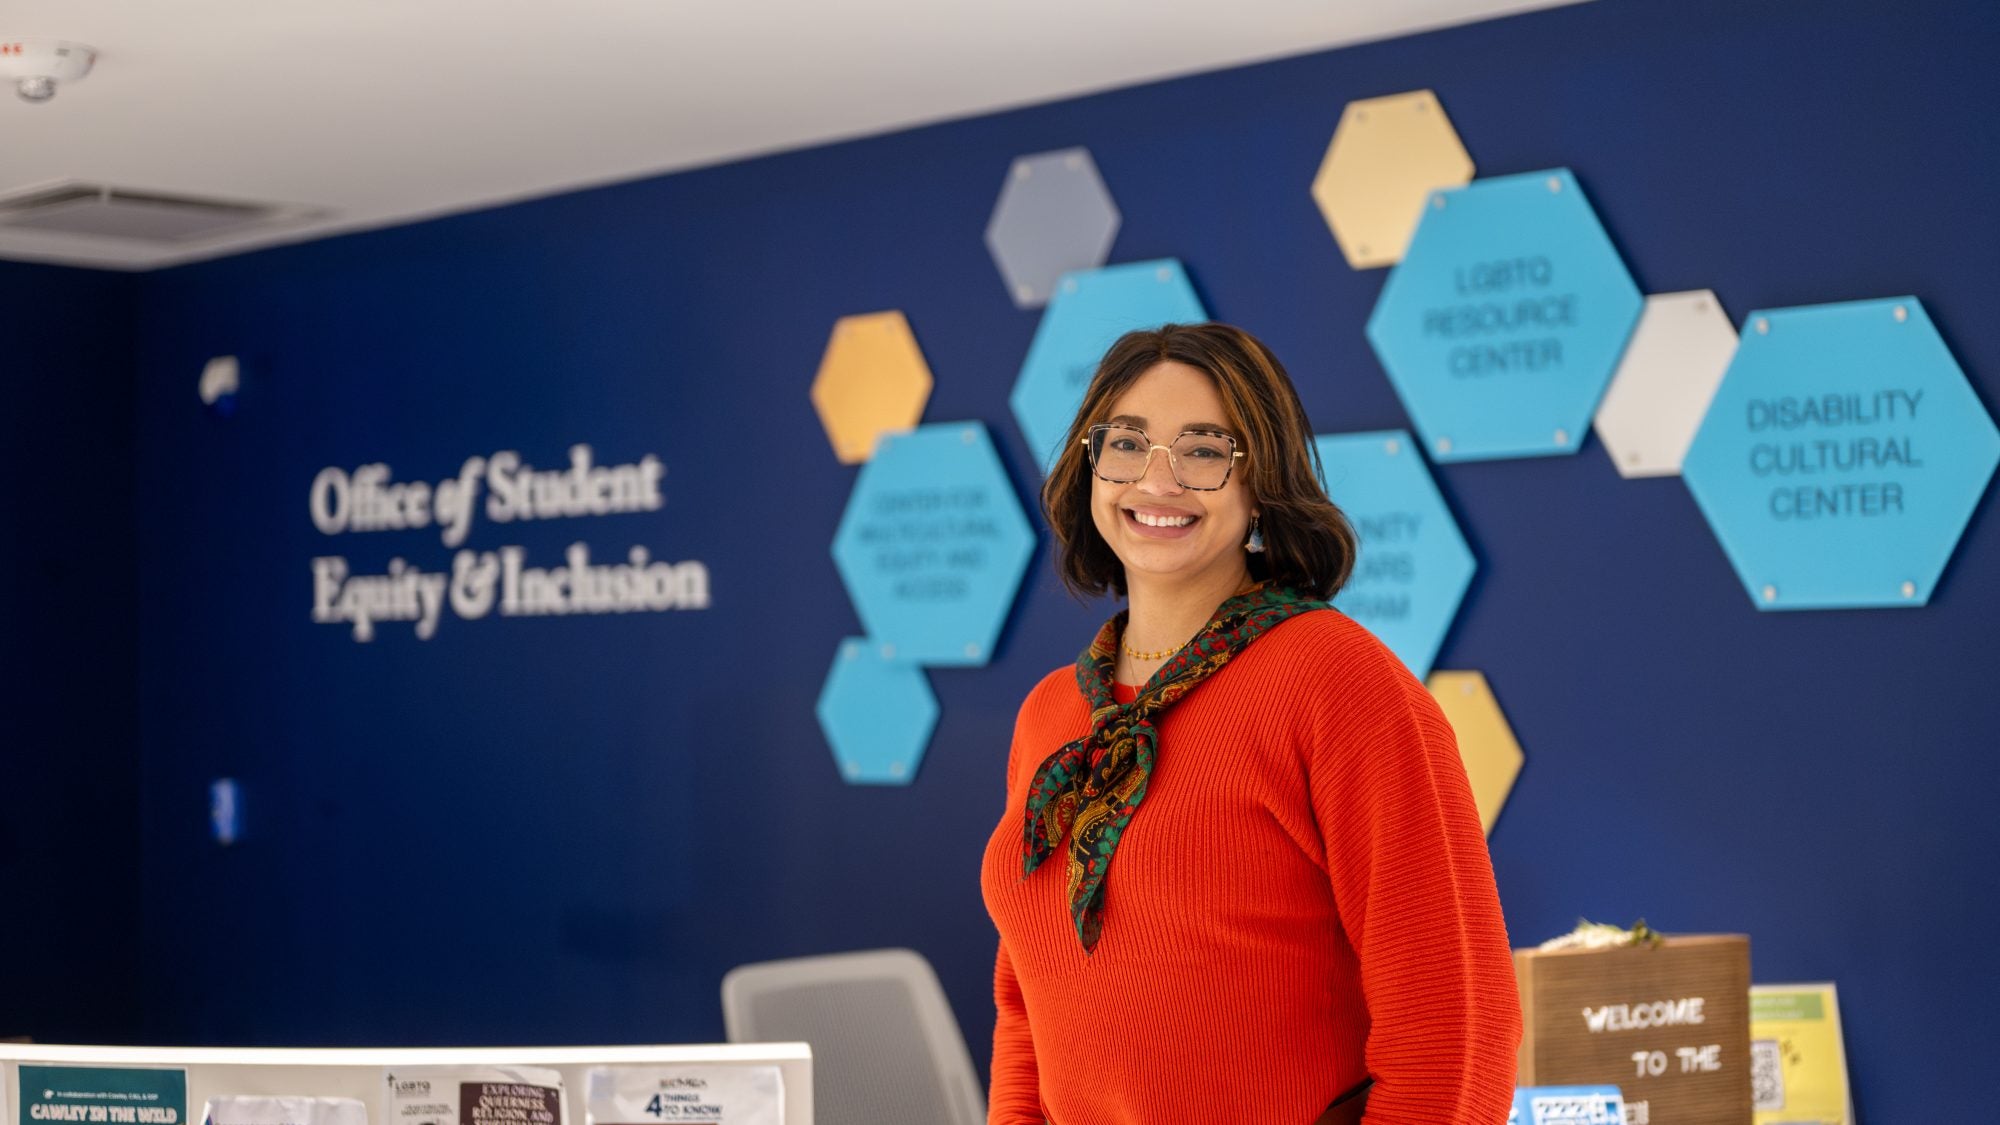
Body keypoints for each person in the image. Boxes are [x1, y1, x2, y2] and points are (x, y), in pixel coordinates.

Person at [980, 323, 1521, 1125]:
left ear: (1261, 481)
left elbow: (1457, 1028)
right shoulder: (1051, 714)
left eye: (1204, 451)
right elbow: (1028, 1008)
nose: (1158, 479)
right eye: (1126, 444)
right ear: (1090, 467)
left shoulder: (1338, 680)